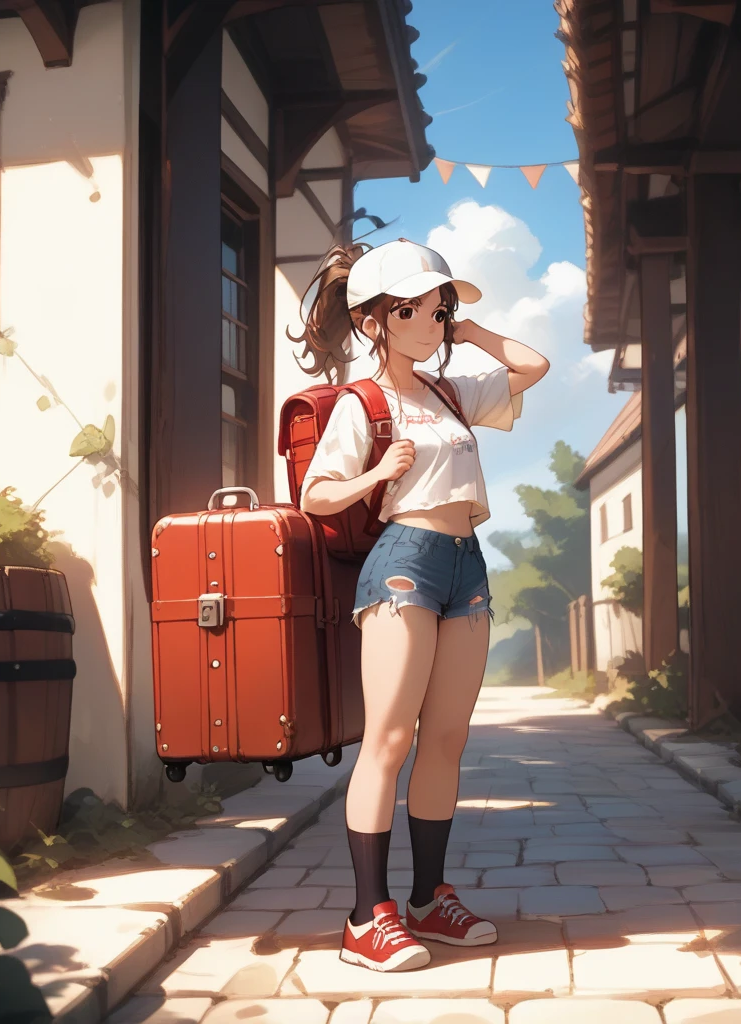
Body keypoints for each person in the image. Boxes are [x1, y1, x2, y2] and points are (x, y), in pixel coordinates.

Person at [295, 238, 549, 972]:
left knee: (446, 740)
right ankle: (363, 916)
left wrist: (468, 330)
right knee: (391, 738)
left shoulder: (449, 392)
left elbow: (531, 366)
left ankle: (427, 898)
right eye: (414, 309)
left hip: (465, 562)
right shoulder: (361, 402)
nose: (431, 321)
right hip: (404, 562)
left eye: (436, 307)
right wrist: (378, 469)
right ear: (374, 321)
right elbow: (316, 495)